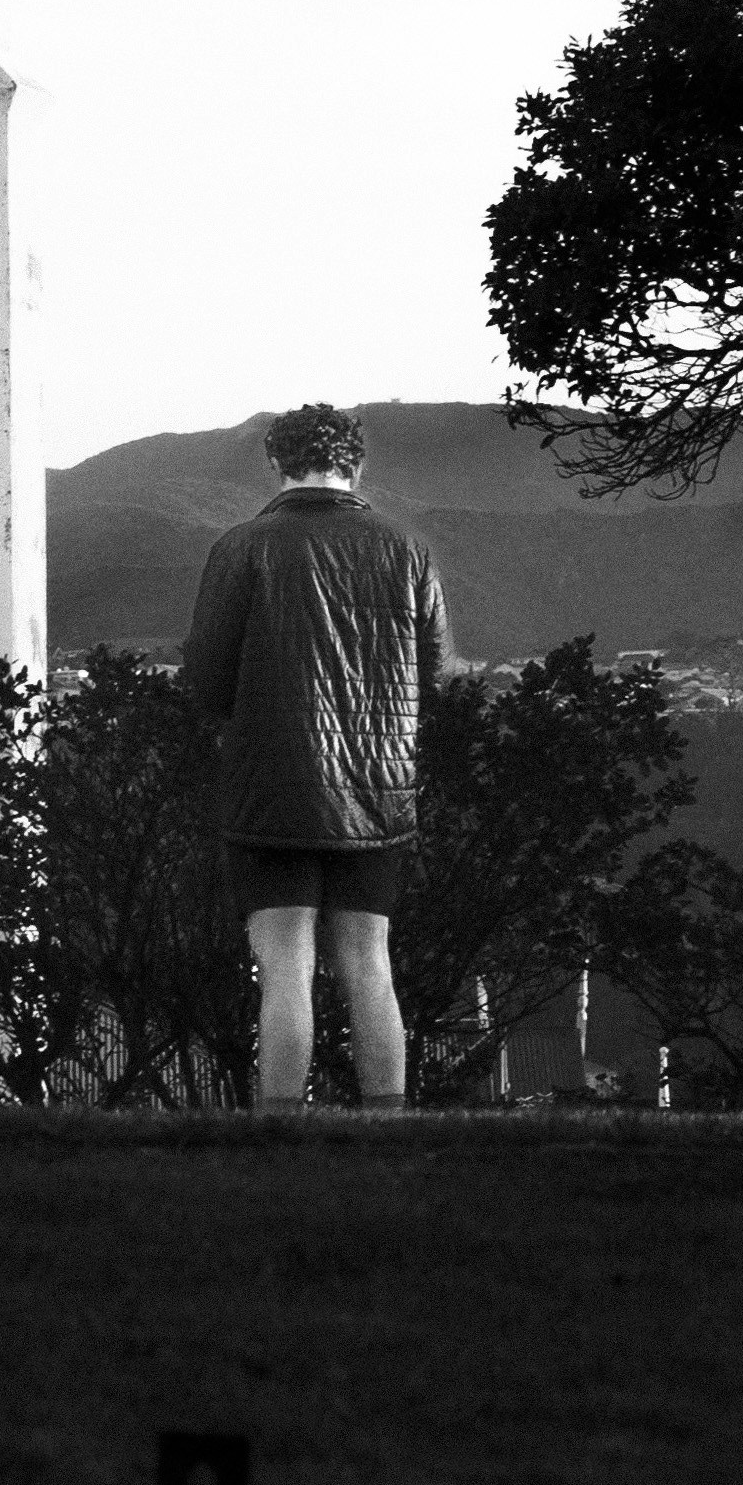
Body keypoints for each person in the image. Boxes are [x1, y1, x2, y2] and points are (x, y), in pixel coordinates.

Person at [180, 402, 451, 1114]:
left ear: (277, 462)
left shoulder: (242, 547)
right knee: (369, 963)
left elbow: (206, 679)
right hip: (379, 791)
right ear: (356, 463)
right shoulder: (407, 548)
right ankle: (386, 1125)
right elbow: (436, 675)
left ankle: (279, 1131)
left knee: (286, 969)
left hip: (272, 786)